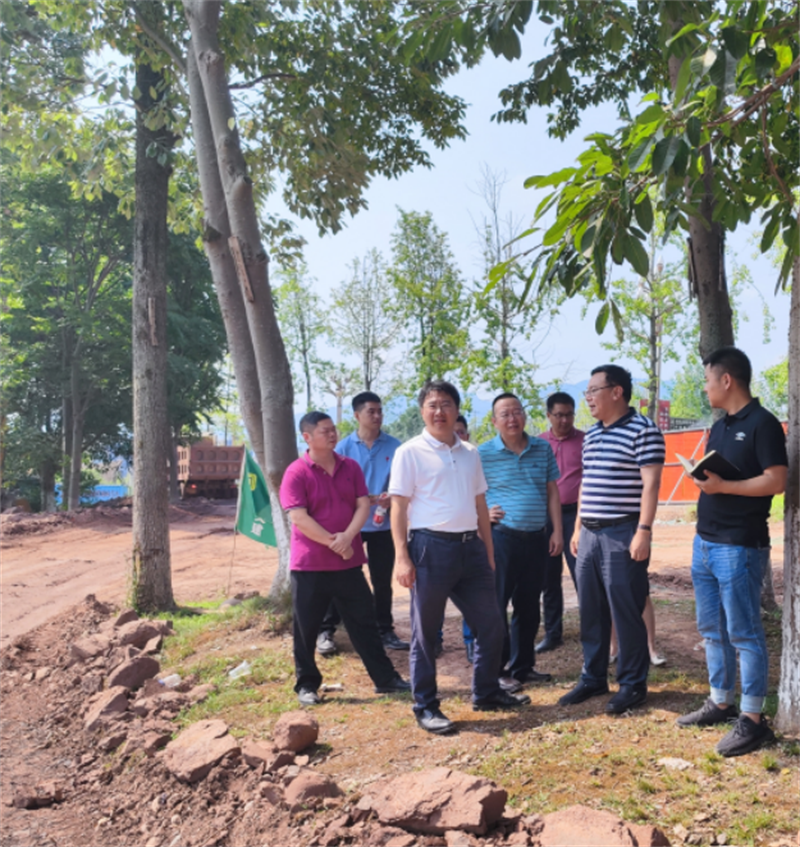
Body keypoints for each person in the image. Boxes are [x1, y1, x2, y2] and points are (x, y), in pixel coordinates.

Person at [389, 380, 529, 734]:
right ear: (422, 410)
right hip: (429, 549)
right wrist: (402, 557)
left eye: (446, 404)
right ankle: (425, 705)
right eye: (432, 405)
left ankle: (486, 691)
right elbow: (398, 507)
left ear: (456, 410)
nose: (439, 411)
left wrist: (488, 551)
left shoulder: (470, 452)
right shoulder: (409, 452)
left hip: (471, 549)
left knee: (491, 624)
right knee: (425, 633)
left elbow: (480, 503)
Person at [676, 347, 787, 757]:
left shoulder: (764, 424)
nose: (705, 387)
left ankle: (753, 720)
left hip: (740, 545)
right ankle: (721, 701)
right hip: (705, 542)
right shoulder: (720, 426)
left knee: (744, 632)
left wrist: (724, 486)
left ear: (727, 380)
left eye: (708, 380)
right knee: (712, 629)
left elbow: (776, 480)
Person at [279, 411, 410, 706]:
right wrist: (336, 543)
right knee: (306, 629)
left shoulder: (350, 466)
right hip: (310, 566)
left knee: (364, 623)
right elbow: (299, 517)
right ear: (307, 437)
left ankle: (385, 679)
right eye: (324, 431)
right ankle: (306, 685)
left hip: (348, 563)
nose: (332, 434)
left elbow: (362, 505)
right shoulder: (296, 472)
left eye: (333, 429)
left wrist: (348, 537)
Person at [559, 365, 665, 715]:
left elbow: (651, 484)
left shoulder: (644, 430)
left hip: (623, 532)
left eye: (593, 391)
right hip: (589, 533)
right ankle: (592, 677)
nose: (588, 398)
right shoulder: (591, 435)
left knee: (625, 609)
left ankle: (632, 684)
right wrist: (577, 528)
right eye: (587, 392)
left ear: (616, 392)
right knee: (591, 608)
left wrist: (643, 531)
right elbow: (586, 483)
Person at [478, 393, 562, 688]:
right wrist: (482, 514)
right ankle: (497, 669)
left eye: (516, 412)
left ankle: (523, 666)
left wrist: (557, 531)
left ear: (524, 416)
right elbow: (469, 492)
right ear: (494, 421)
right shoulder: (483, 454)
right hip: (502, 538)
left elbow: (552, 492)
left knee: (528, 605)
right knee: (497, 604)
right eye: (505, 414)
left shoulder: (542, 447)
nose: (512, 419)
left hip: (537, 538)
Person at [316, 392, 409, 657]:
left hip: (383, 525)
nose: (377, 416)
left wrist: (391, 498)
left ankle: (385, 630)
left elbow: (403, 483)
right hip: (350, 527)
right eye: (371, 411)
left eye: (380, 411)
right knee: (340, 577)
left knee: (382, 580)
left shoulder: (396, 447)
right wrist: (359, 500)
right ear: (357, 415)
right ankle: (327, 630)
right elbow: (332, 486)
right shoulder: (342, 449)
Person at [536, 392, 584, 653]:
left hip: (577, 517)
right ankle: (552, 633)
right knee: (549, 577)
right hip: (547, 517)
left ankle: (592, 630)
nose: (564, 420)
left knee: (583, 575)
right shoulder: (538, 444)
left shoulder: (585, 442)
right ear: (549, 415)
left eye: (569, 415)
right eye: (559, 415)